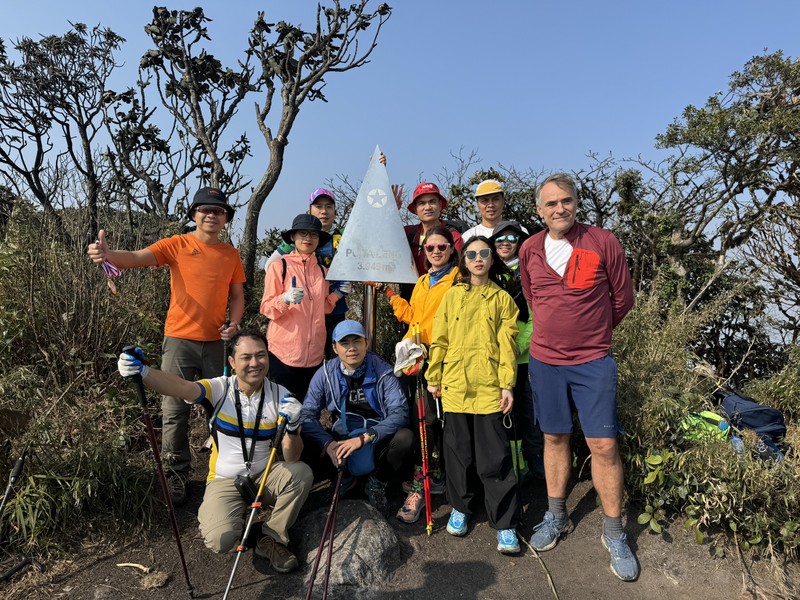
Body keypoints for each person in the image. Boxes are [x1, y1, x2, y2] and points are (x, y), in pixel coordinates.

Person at [87, 187, 245, 506]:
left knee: (224, 408)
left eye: (219, 210)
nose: (212, 215)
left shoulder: (231, 254)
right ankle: (176, 474)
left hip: (217, 343)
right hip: (179, 339)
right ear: (194, 215)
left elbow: (238, 296)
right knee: (174, 410)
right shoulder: (178, 244)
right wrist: (108, 255)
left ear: (226, 218)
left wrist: (235, 323)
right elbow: (137, 258)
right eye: (205, 209)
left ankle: (229, 473)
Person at [518, 173, 638, 581]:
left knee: (603, 444)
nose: (559, 209)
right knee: (554, 437)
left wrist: (592, 336)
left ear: (576, 203)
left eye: (565, 201)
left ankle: (614, 531)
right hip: (545, 362)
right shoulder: (530, 248)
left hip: (593, 362)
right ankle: (557, 517)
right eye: (550, 204)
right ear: (539, 210)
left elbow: (623, 300)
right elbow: (534, 299)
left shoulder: (603, 241)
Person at [116, 330, 312, 573]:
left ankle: (271, 538)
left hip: (264, 476)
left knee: (301, 474)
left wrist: (292, 427)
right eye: (246, 357)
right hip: (225, 480)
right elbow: (180, 386)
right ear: (232, 362)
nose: (255, 363)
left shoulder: (281, 396)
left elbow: (293, 457)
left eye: (261, 355)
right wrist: (144, 372)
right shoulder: (219, 389)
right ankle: (235, 519)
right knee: (220, 539)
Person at [426, 236, 521, 554]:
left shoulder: (503, 299)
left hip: (488, 389)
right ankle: (461, 507)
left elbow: (509, 346)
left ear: (492, 259)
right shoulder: (452, 296)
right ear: (463, 260)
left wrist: (507, 384)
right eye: (472, 254)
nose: (478, 258)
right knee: (457, 454)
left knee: (494, 457)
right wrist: (434, 375)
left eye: (484, 253)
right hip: (454, 386)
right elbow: (439, 338)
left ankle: (505, 523)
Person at [368, 225, 459, 523]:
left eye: (441, 247)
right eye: (430, 248)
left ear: (451, 249)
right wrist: (388, 292)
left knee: (432, 423)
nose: (435, 252)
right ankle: (432, 477)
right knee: (422, 421)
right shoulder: (422, 281)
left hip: (442, 360)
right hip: (415, 361)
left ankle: (424, 484)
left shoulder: (458, 279)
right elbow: (412, 316)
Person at [300, 320, 412, 515]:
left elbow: (400, 413)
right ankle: (344, 479)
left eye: (357, 341)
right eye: (344, 343)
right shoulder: (325, 373)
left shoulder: (383, 371)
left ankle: (376, 483)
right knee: (301, 436)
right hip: (342, 438)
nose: (351, 348)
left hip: (375, 437)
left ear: (366, 344)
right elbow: (307, 415)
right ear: (334, 348)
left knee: (405, 438)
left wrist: (366, 437)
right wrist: (328, 445)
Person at [260, 214, 347, 401]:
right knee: (282, 413)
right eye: (303, 233)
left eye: (314, 235)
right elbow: (266, 307)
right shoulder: (279, 266)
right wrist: (284, 299)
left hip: (314, 357)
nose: (308, 238)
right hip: (282, 356)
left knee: (307, 413)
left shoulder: (322, 272)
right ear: (293, 237)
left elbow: (322, 308)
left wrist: (337, 295)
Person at [265, 188, 350, 358]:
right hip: (300, 312)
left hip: (335, 308)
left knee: (335, 360)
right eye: (318, 206)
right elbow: (270, 265)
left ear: (335, 212)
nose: (324, 211)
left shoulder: (344, 236)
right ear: (309, 210)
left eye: (329, 207)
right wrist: (287, 293)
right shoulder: (298, 238)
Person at [490, 221, 544, 480]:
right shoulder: (487, 273)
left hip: (524, 357)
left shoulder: (530, 272)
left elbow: (537, 316)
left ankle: (535, 466)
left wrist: (517, 347)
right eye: (500, 238)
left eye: (512, 237)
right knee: (503, 414)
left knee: (528, 413)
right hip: (495, 360)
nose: (506, 242)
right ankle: (513, 465)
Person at [400, 182, 464, 299]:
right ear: (415, 208)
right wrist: (391, 210)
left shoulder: (453, 236)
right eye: (422, 203)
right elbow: (381, 236)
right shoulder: (407, 233)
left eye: (432, 202)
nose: (427, 207)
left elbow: (460, 272)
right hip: (411, 302)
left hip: (443, 301)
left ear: (440, 205)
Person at [462, 179, 528, 243]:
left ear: (503, 201)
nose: (490, 205)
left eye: (495, 199)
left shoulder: (521, 231)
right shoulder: (468, 237)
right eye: (485, 200)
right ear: (477, 204)